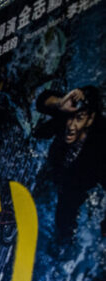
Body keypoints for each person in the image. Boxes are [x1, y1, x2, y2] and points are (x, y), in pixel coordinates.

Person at [35, 86, 106, 244]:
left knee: (64, 225)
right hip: (58, 165)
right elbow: (41, 101)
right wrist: (59, 103)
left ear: (90, 119)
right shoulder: (69, 109)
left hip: (80, 181)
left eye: (79, 118)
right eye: (69, 117)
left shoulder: (101, 143)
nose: (71, 125)